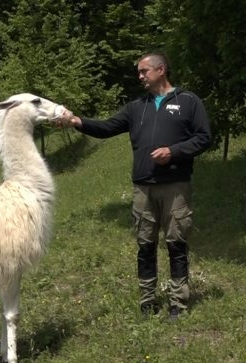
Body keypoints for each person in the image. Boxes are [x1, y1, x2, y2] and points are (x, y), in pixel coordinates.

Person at [61, 51, 212, 321]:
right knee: (145, 245)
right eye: (139, 72)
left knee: (176, 242)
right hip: (143, 188)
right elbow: (107, 127)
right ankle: (147, 302)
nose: (140, 76)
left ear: (161, 70)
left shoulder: (188, 102)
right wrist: (76, 122)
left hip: (175, 185)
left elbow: (203, 138)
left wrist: (174, 151)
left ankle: (178, 303)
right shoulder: (136, 107)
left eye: (144, 71)